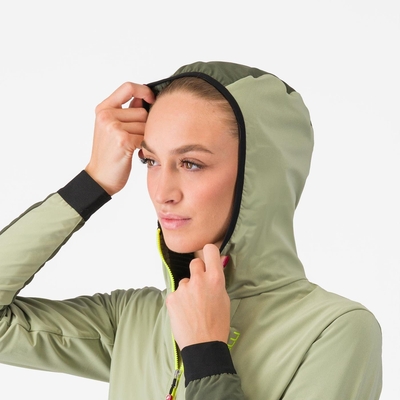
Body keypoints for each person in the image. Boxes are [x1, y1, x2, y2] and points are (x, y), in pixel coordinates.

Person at [0, 61, 382, 399]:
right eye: (151, 161)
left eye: (191, 164)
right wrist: (93, 181)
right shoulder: (135, 319)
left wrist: (206, 354)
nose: (162, 193)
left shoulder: (334, 331)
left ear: (259, 176)